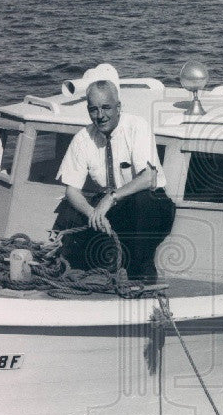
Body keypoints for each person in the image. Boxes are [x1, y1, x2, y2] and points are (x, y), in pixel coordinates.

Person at [55, 79, 175, 282]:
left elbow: (149, 178)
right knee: (67, 211)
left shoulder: (137, 127)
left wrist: (111, 198)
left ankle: (142, 272)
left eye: (106, 108)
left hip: (150, 209)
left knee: (143, 201)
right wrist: (92, 214)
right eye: (93, 110)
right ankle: (74, 268)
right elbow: (72, 191)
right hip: (113, 211)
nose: (100, 116)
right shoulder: (82, 139)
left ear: (118, 107)